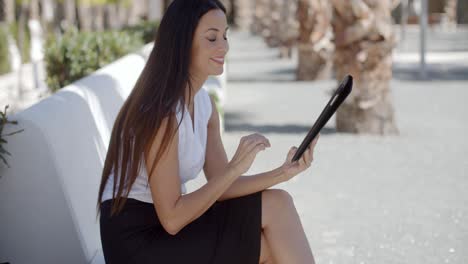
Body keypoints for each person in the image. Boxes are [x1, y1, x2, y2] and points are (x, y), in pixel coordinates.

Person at [96, 0, 320, 263]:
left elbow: (223, 187)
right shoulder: (163, 115)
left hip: (167, 227)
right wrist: (235, 167)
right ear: (182, 43)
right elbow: (172, 219)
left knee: (279, 203)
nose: (223, 46)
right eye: (212, 38)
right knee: (268, 243)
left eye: (225, 36)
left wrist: (283, 172)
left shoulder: (204, 105)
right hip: (138, 242)